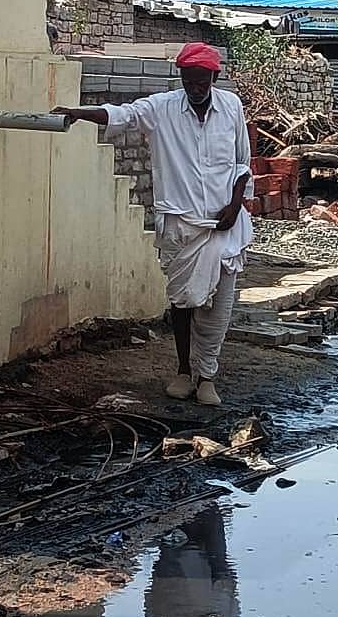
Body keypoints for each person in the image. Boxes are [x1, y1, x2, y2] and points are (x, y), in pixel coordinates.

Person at [53, 42, 253, 406]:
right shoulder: (162, 108)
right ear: (182, 78)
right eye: (190, 81)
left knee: (219, 308)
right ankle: (182, 371)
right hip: (181, 224)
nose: (196, 88)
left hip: (225, 225)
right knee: (182, 301)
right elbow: (122, 114)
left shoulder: (231, 108)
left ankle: (207, 375)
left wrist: (236, 205)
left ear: (214, 77)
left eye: (202, 81)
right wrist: (78, 112)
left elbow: (242, 162)